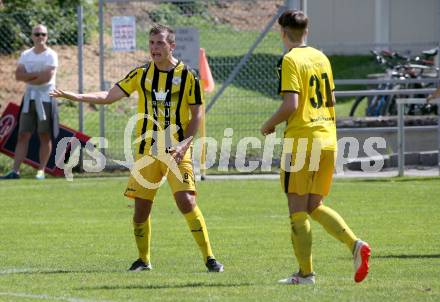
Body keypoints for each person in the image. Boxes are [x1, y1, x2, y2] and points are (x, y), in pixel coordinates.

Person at [50, 24, 224, 273]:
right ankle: (143, 260)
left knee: (186, 201)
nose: (154, 48)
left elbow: (197, 113)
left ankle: (210, 258)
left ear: (171, 46)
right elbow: (109, 96)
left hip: (176, 150)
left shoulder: (188, 76)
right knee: (141, 211)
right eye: (151, 43)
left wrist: (185, 142)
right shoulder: (141, 74)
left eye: (160, 43)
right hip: (147, 151)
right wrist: (75, 96)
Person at [260, 10, 370, 285]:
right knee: (314, 205)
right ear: (306, 31)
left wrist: (268, 125)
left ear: (282, 31)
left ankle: (305, 274)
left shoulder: (289, 59)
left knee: (297, 209)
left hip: (302, 140)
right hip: (327, 138)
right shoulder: (321, 57)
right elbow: (331, 100)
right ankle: (356, 245)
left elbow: (291, 105)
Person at [1, 24, 59, 180]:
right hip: (29, 98)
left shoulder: (51, 55)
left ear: (47, 36)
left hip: (46, 98)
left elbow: (46, 78)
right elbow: (18, 76)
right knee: (23, 135)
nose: (40, 37)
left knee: (44, 134)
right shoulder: (26, 54)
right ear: (32, 36)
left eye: (43, 34)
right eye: (37, 34)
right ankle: (15, 171)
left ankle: (41, 170)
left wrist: (29, 76)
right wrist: (36, 75)